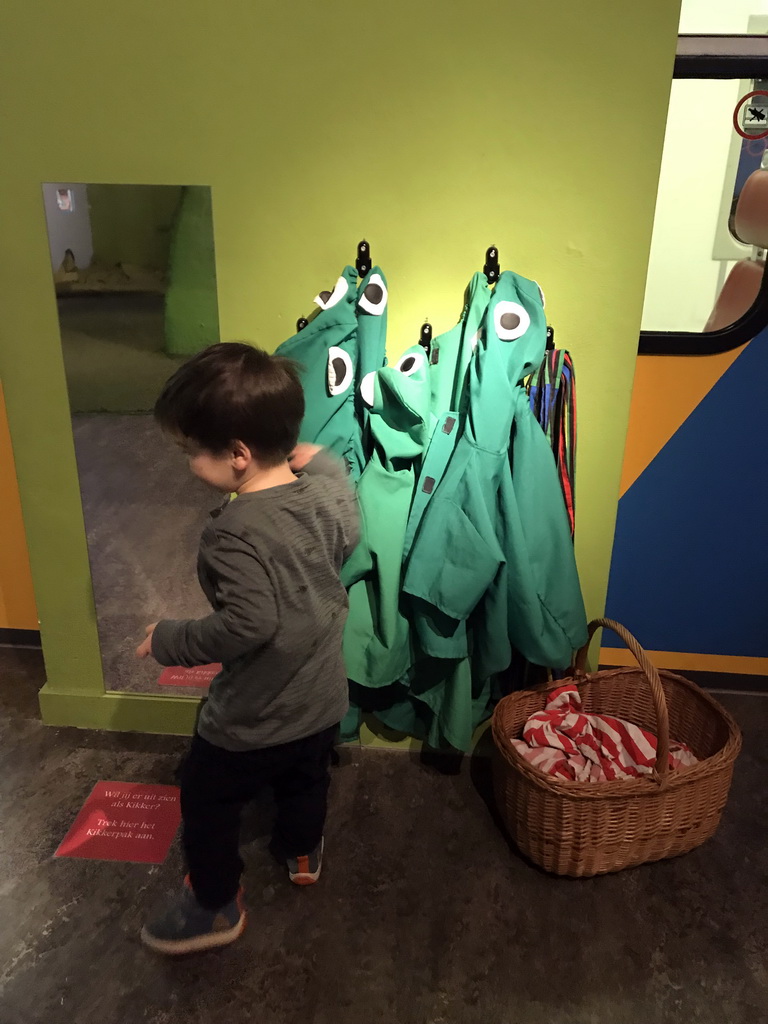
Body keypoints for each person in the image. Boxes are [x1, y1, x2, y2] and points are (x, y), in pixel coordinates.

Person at [136, 342, 359, 956]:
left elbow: (248, 624)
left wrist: (170, 639)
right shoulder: (325, 495)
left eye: (191, 452)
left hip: (252, 716)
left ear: (238, 454)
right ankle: (301, 851)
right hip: (321, 699)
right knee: (305, 779)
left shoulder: (234, 534)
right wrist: (320, 462)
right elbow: (338, 484)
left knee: (206, 798)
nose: (186, 463)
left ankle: (213, 902)